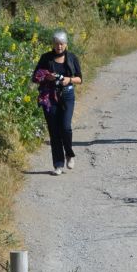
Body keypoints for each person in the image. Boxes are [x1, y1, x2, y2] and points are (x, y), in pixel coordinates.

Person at [33, 30, 82, 175]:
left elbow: (80, 78)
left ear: (66, 44)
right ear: (53, 45)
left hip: (67, 95)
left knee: (66, 127)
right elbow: (35, 77)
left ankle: (69, 154)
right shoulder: (45, 58)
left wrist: (69, 80)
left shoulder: (72, 58)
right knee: (54, 131)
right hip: (50, 97)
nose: (59, 47)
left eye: (61, 44)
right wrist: (46, 77)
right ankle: (58, 164)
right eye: (56, 44)